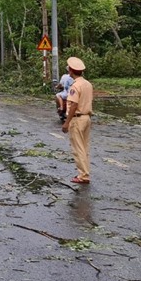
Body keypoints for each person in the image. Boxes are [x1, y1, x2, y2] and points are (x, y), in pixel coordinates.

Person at [61, 57, 94, 185]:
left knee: (78, 148)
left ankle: (83, 176)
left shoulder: (75, 86)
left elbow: (73, 105)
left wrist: (66, 122)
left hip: (78, 118)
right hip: (87, 117)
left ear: (71, 71)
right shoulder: (87, 84)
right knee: (85, 147)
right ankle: (84, 172)